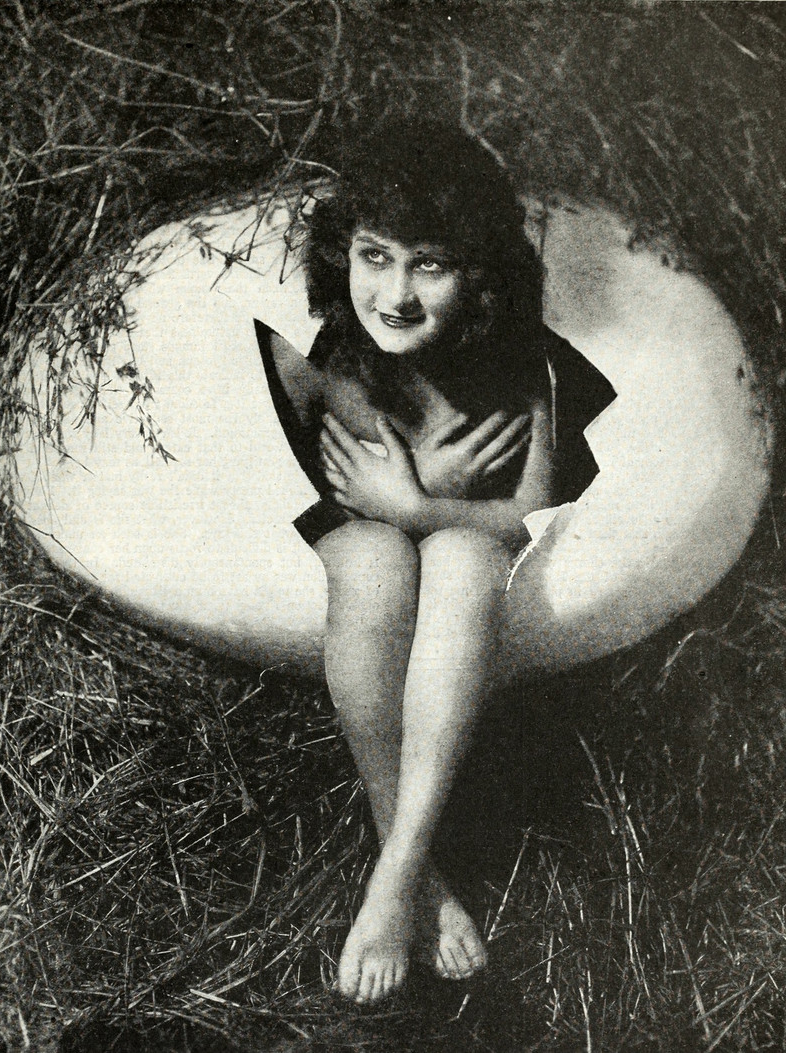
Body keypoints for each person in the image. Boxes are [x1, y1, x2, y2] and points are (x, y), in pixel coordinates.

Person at [253, 118, 614, 1004]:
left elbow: (529, 512)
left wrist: (422, 505)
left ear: (478, 275)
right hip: (357, 533)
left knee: (461, 559)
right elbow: (302, 464)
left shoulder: (519, 362)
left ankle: (397, 869)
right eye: (375, 256)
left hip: (455, 530)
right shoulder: (334, 353)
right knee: (373, 564)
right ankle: (416, 870)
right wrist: (392, 507)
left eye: (431, 265)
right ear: (343, 252)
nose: (397, 293)